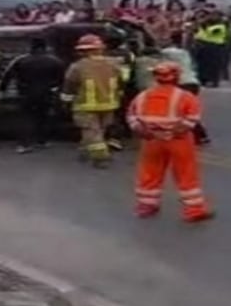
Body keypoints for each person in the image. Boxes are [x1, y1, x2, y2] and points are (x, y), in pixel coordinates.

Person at [126, 61, 213, 223]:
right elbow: (193, 117)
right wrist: (177, 130)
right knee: (186, 173)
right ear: (177, 77)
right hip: (178, 140)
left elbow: (132, 116)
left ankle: (147, 204)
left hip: (152, 139)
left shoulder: (143, 95)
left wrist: (142, 131)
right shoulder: (185, 96)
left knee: (149, 172)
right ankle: (194, 209)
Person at [61, 34, 123, 168]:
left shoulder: (77, 67)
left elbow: (69, 85)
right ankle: (85, 151)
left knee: (92, 132)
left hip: (85, 105)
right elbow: (121, 81)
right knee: (99, 130)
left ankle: (101, 158)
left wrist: (65, 100)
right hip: (110, 103)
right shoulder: (114, 64)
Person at [0, 37, 66, 154]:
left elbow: (7, 76)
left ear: (31, 47)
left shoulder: (21, 60)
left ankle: (24, 144)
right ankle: (42, 140)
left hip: (26, 93)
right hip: (46, 93)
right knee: (43, 116)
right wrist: (56, 89)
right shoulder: (55, 61)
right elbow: (62, 79)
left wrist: (2, 90)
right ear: (45, 47)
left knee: (26, 118)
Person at [159, 38, 212, 145]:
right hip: (192, 82)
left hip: (184, 84)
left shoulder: (169, 53)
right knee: (186, 110)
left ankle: (199, 135)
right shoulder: (184, 54)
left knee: (182, 111)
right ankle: (198, 135)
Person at [192, 10, 228, 87]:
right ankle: (202, 79)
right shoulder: (207, 25)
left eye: (215, 16)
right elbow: (198, 34)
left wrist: (202, 25)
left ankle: (214, 81)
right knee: (203, 64)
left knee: (213, 66)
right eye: (212, 15)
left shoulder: (221, 26)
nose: (212, 17)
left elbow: (210, 33)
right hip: (204, 46)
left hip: (215, 46)